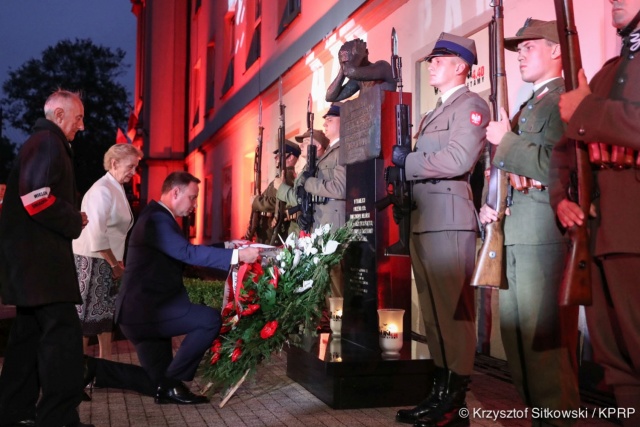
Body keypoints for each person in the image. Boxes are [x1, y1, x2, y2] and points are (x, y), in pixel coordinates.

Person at [81, 171, 260, 405]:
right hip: (147, 312)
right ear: (176, 192)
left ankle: (91, 368)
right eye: (193, 197)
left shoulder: (158, 217)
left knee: (159, 383)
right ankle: (172, 384)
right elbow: (187, 253)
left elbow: (183, 252)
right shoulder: (156, 219)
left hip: (141, 313)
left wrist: (229, 245)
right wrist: (237, 255)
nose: (195, 205)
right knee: (208, 320)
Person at [479, 19, 580, 427]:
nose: (519, 53)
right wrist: (492, 203)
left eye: (529, 46)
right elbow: (513, 170)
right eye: (517, 48)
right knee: (518, 351)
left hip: (544, 235)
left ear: (557, 51)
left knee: (546, 354)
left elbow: (555, 168)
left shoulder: (566, 101)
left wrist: (506, 140)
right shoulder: (528, 107)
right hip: (514, 233)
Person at [391, 33, 489, 427]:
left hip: (448, 222)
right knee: (432, 315)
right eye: (431, 59)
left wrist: (408, 162)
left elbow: (457, 158)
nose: (431, 64)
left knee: (453, 312)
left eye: (440, 59)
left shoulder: (471, 105)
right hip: (424, 220)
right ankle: (441, 394)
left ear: (461, 67)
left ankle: (453, 397)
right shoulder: (437, 110)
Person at [549, 1, 640, 425]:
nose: (613, 0)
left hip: (634, 233)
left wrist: (586, 110)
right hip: (599, 234)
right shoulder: (607, 71)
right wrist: (559, 199)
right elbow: (566, 149)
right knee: (613, 361)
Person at [0, 90, 92, 427]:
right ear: (57, 114)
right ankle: (58, 418)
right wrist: (72, 218)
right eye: (77, 117)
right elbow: (36, 199)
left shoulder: (41, 142)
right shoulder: (48, 142)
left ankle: (12, 412)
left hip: (28, 268)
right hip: (43, 269)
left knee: (27, 340)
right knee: (63, 341)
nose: (81, 126)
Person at [73, 144, 143, 361]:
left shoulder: (115, 187)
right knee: (86, 321)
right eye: (130, 166)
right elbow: (96, 233)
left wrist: (116, 263)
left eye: (136, 167)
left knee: (104, 316)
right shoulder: (102, 190)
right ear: (114, 163)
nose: (134, 172)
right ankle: (77, 373)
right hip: (94, 261)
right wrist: (115, 265)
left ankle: (105, 365)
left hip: (107, 262)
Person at [249, 140, 300, 243]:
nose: (276, 158)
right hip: (268, 232)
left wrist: (257, 201)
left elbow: (280, 203)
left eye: (280, 155)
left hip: (274, 234)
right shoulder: (282, 176)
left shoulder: (288, 178)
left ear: (290, 157)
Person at [325, 38, 396, 102]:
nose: (347, 66)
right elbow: (330, 97)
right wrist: (343, 67)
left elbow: (350, 72)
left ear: (365, 53)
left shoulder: (382, 67)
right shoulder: (358, 80)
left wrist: (357, 56)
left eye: (349, 61)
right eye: (346, 63)